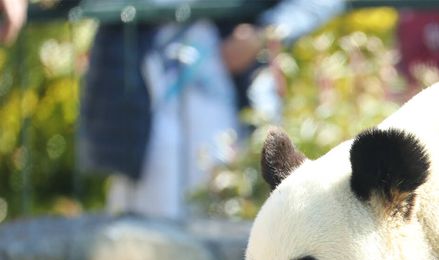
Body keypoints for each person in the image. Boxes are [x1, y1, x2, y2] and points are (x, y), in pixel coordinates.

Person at [1, 0, 343, 220]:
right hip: (138, 98)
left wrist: (265, 34)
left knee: (231, 211)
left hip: (230, 92)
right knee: (140, 225)